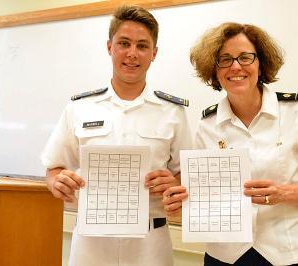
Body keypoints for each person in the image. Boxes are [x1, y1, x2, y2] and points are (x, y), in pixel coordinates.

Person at [162, 22, 298, 266]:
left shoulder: (295, 111)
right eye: (224, 59)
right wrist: (179, 202)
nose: (236, 66)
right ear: (215, 71)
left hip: (288, 253)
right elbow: (204, 195)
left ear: (261, 62)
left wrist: (283, 193)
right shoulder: (207, 124)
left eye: (245, 57)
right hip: (225, 256)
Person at [41, 5, 191, 266]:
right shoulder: (79, 108)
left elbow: (187, 176)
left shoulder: (173, 112)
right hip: (91, 243)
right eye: (124, 43)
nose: (132, 53)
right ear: (109, 47)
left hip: (150, 243)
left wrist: (173, 183)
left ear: (154, 53)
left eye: (142, 46)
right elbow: (54, 168)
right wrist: (56, 182)